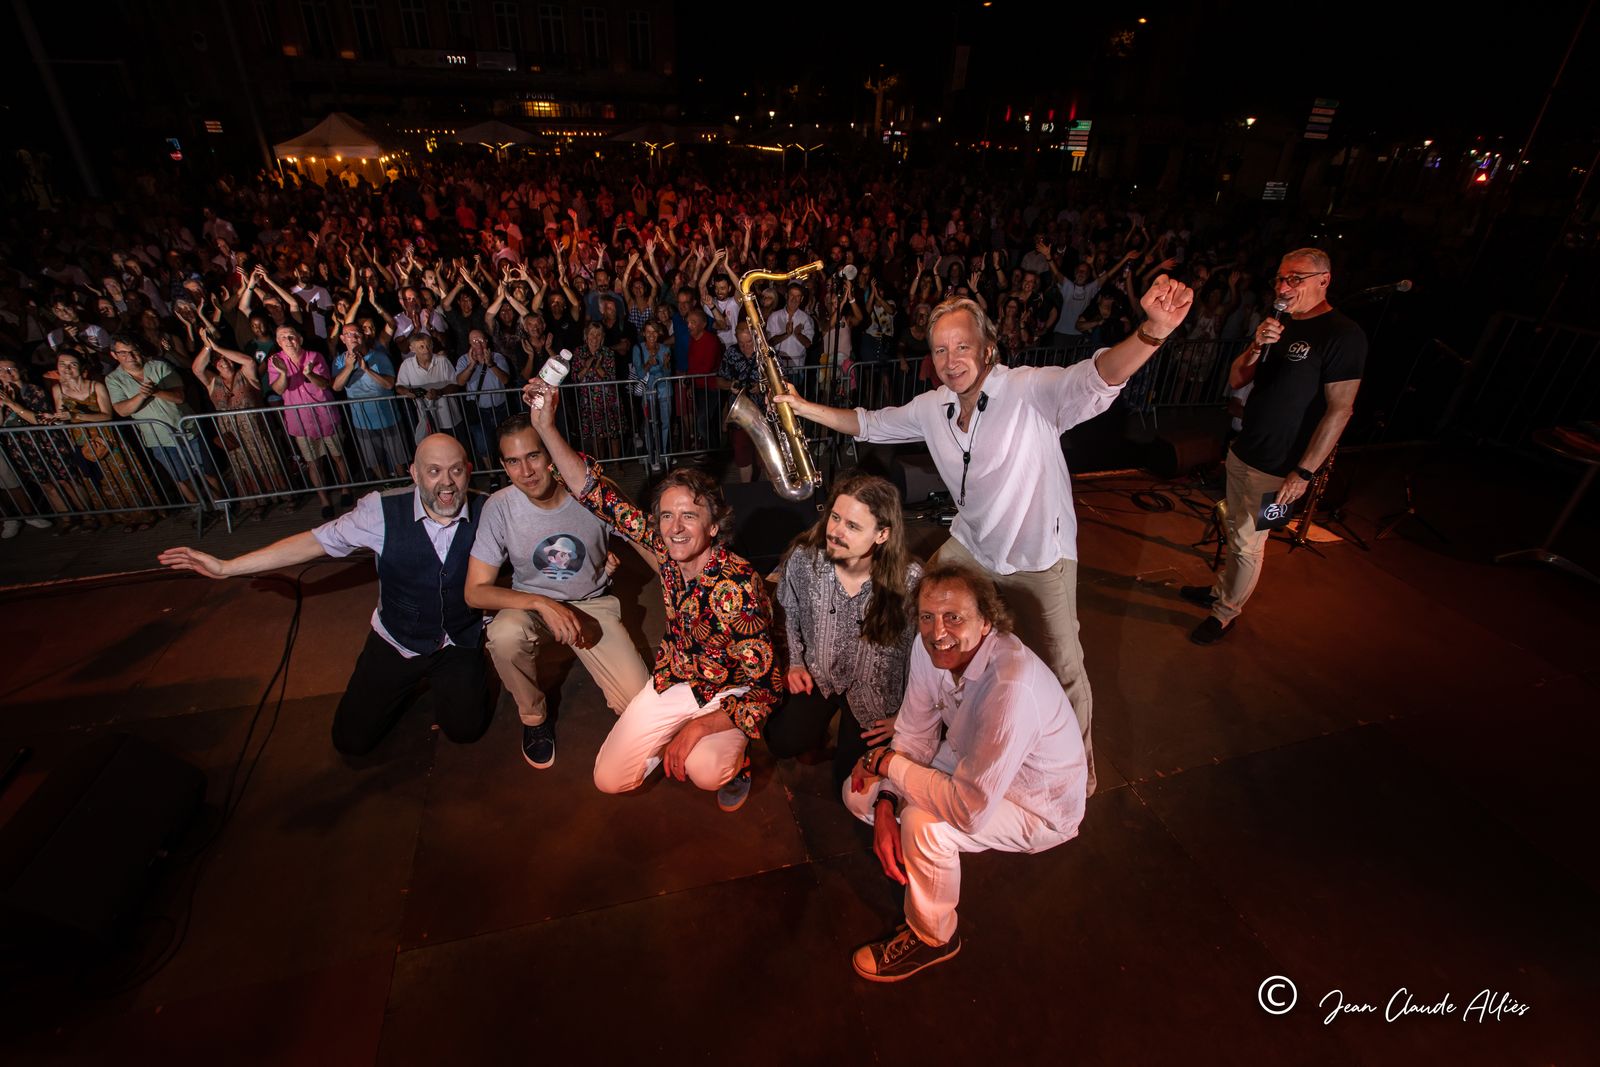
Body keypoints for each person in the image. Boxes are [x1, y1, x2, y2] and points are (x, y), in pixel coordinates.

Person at [777, 281, 1195, 796]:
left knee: (1063, 667)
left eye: (962, 346)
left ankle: (1077, 776)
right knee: (917, 607)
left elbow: (1096, 377)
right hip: (973, 545)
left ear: (987, 348)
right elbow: (869, 423)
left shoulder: (1028, 391)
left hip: (1039, 558)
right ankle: (918, 722)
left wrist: (1152, 332)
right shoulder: (934, 407)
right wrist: (804, 408)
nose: (951, 360)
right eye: (940, 350)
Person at [525, 377, 782, 813]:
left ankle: (736, 762)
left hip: (729, 691)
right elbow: (595, 494)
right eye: (666, 516)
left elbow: (765, 689)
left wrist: (700, 728)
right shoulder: (665, 548)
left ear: (713, 526)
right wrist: (546, 427)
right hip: (677, 679)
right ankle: (682, 732)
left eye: (689, 516)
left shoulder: (738, 587)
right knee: (609, 779)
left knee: (705, 770)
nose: (675, 527)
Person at [158, 434, 493, 757]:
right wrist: (226, 567)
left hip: (457, 640)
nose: (446, 482)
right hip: (398, 639)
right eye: (434, 471)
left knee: (466, 731)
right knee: (351, 742)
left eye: (455, 470)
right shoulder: (381, 511)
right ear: (415, 474)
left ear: (468, 470)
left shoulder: (487, 511)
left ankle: (454, 681)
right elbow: (314, 542)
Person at [843, 562, 1088, 982]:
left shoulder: (1011, 684)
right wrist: (885, 800)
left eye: (954, 617)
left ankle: (933, 936)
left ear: (986, 621)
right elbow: (915, 733)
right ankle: (925, 853)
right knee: (858, 794)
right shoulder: (928, 648)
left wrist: (887, 766)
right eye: (927, 616)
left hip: (1036, 804)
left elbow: (969, 810)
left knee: (922, 825)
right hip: (972, 763)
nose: (937, 632)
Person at [1182, 249, 1366, 644]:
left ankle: (1225, 613)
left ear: (1324, 280)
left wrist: (1304, 472)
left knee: (1251, 543)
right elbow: (1236, 379)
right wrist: (1255, 345)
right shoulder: (1279, 324)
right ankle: (1221, 591)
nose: (1283, 287)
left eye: (1295, 278)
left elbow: (1341, 409)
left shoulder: (1343, 334)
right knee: (1235, 530)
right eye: (1280, 278)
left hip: (1283, 468)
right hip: (1244, 450)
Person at [465, 414, 651, 769]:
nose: (526, 472)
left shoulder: (594, 492)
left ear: (551, 453)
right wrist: (540, 602)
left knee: (641, 707)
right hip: (531, 606)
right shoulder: (499, 506)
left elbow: (648, 542)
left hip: (591, 604)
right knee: (504, 635)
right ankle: (534, 718)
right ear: (503, 466)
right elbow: (475, 591)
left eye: (533, 456)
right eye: (514, 462)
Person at [767, 472, 921, 789]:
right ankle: (816, 733)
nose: (835, 532)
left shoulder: (910, 582)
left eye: (852, 526)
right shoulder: (805, 560)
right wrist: (795, 662)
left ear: (882, 534)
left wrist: (906, 718)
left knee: (847, 786)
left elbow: (922, 657)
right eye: (835, 517)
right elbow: (789, 609)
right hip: (819, 677)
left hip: (874, 694)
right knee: (780, 742)